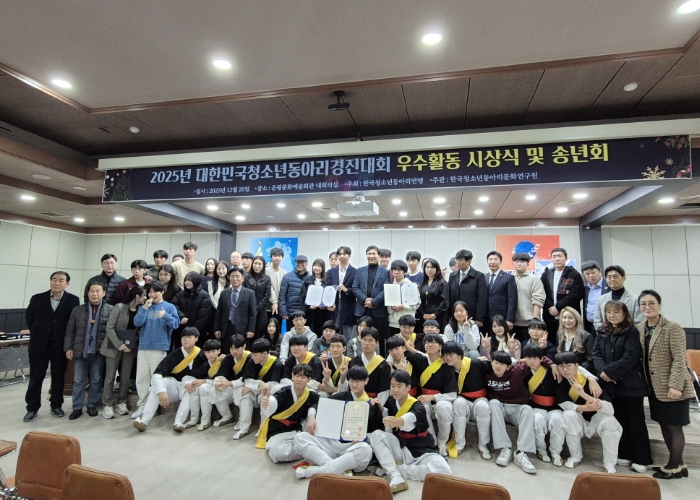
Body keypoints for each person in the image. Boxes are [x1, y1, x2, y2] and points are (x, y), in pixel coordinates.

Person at [636, 290, 695, 479]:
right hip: (654, 387)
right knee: (664, 424)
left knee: (674, 426)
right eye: (643, 304)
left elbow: (679, 359)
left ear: (659, 305)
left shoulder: (673, 328)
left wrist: (676, 385)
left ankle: (673, 466)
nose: (647, 307)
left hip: (673, 387)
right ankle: (680, 464)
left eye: (651, 303)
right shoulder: (640, 328)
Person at [367, 370, 452, 493]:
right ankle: (395, 476)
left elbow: (411, 417)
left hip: (422, 450)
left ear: (408, 387)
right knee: (376, 435)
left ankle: (399, 470)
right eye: (392, 386)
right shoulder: (392, 401)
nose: (395, 390)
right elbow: (388, 415)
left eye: (399, 386)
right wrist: (380, 408)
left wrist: (399, 421)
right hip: (402, 448)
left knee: (444, 471)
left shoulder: (418, 406)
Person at [593, 300, 653, 473]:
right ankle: (625, 454)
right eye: (608, 312)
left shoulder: (631, 331)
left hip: (630, 385)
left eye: (616, 312)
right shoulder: (602, 331)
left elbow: (631, 356)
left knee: (635, 422)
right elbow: (596, 354)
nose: (612, 315)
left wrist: (610, 372)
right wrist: (603, 372)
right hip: (610, 385)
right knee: (619, 420)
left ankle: (642, 459)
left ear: (625, 314)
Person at [293, 365, 382, 479]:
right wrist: (311, 417)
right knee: (300, 438)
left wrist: (362, 437)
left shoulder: (372, 405)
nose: (354, 384)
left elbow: (375, 434)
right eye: (351, 381)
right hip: (331, 444)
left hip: (351, 447)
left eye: (358, 381)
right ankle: (339, 469)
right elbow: (317, 405)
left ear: (366, 381)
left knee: (366, 450)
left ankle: (320, 471)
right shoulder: (340, 396)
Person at [23, 271, 80, 422]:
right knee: (36, 378)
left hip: (59, 346)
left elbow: (72, 323)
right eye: (54, 279)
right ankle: (32, 408)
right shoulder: (37, 298)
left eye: (61, 280)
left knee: (58, 377)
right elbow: (30, 320)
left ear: (67, 284)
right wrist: (40, 333)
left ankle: (56, 405)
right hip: (39, 345)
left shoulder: (73, 300)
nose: (57, 283)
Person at [554, 351, 622, 473]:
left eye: (568, 366)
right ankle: (576, 456)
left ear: (577, 366)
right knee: (568, 415)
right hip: (579, 418)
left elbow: (610, 410)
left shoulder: (591, 381)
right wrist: (587, 407)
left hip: (596, 419)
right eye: (561, 366)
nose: (565, 370)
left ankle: (609, 462)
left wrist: (583, 394)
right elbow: (565, 405)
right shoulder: (560, 381)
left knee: (610, 421)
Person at [486, 350, 550, 474]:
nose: (498, 366)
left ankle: (521, 453)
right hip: (500, 408)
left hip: (517, 408)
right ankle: (505, 448)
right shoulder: (486, 371)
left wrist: (552, 364)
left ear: (508, 366)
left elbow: (538, 360)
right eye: (496, 362)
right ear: (491, 362)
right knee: (493, 403)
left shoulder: (518, 370)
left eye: (502, 364)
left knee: (528, 409)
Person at [132, 327, 206, 432]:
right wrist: (161, 392)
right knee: (157, 386)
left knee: (192, 389)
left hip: (190, 387)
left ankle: (178, 422)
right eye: (184, 337)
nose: (186, 339)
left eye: (189, 337)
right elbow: (157, 374)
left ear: (196, 338)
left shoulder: (202, 354)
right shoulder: (175, 354)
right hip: (174, 386)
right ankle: (144, 421)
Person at [131, 281, 180, 419]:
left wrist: (165, 316)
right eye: (150, 292)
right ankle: (142, 405)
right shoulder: (145, 306)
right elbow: (137, 322)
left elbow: (176, 324)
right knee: (141, 379)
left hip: (160, 348)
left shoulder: (169, 307)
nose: (152, 295)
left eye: (155, 292)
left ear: (162, 291)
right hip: (143, 347)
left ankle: (153, 407)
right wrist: (144, 308)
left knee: (156, 379)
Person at [64, 282, 113, 419]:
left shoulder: (110, 310)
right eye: (92, 291)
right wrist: (68, 347)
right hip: (80, 350)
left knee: (96, 379)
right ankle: (77, 407)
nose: (94, 294)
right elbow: (70, 330)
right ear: (87, 293)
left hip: (99, 352)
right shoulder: (77, 310)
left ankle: (91, 405)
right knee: (78, 380)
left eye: (98, 291)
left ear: (104, 293)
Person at [256, 363, 320, 463]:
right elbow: (274, 400)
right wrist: (268, 402)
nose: (299, 380)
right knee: (279, 454)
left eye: (303, 377)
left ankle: (305, 450)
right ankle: (306, 451)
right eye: (297, 376)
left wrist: (311, 416)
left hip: (297, 430)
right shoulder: (283, 392)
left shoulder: (311, 395)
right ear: (292, 376)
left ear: (309, 380)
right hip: (278, 430)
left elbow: (318, 403)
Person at [409, 333, 457, 457]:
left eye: (434, 342)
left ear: (440, 346)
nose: (430, 345)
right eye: (427, 342)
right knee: (421, 406)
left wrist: (433, 397)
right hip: (424, 399)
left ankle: (442, 442)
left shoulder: (446, 366)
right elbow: (401, 352)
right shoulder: (420, 360)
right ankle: (432, 441)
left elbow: (452, 394)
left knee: (443, 407)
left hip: (441, 400)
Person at [441, 341, 491, 459]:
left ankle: (483, 445)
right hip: (462, 399)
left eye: (451, 354)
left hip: (480, 398)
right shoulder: (447, 369)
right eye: (445, 355)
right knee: (458, 403)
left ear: (459, 354)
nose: (448, 357)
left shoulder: (476, 363)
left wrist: (486, 359)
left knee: (483, 407)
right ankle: (460, 444)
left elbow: (494, 369)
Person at [101, 286, 144, 419]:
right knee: (110, 376)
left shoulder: (141, 310)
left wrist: (132, 345)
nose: (145, 298)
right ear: (136, 296)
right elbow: (110, 327)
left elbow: (140, 330)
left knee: (125, 376)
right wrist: (119, 344)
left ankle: (122, 401)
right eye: (143, 295)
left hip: (130, 348)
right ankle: (107, 404)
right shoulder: (119, 307)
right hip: (113, 346)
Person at [521, 344, 566, 466]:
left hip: (554, 406)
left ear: (542, 359)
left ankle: (556, 452)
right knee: (537, 421)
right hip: (535, 406)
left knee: (557, 421)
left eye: (535, 358)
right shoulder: (524, 371)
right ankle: (541, 450)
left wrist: (552, 365)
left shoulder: (551, 371)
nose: (531, 361)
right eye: (528, 357)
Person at [208, 334, 255, 437]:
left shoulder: (250, 358)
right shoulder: (228, 358)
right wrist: (218, 383)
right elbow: (221, 374)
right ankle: (227, 416)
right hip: (232, 387)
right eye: (231, 348)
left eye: (237, 348)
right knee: (215, 388)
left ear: (244, 346)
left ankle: (243, 422)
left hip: (247, 387)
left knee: (242, 390)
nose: (234, 351)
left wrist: (230, 383)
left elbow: (247, 378)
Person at [352, 246, 391, 356]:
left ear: (379, 256)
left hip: (378, 311)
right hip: (362, 310)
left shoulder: (385, 272)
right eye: (369, 254)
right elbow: (355, 288)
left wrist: (374, 302)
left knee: (379, 338)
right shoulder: (359, 271)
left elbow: (386, 289)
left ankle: (380, 360)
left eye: (374, 254)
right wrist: (365, 299)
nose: (371, 256)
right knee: (362, 338)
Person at [243, 338, 284, 436]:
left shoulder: (276, 363)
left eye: (255, 355)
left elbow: (274, 384)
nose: (253, 357)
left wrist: (253, 387)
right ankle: (243, 426)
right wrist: (259, 383)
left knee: (264, 396)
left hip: (269, 393)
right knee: (245, 394)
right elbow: (247, 380)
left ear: (265, 353)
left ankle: (263, 427)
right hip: (256, 391)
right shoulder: (252, 361)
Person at [541, 247, 584, 336]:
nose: (557, 259)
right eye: (554, 256)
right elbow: (541, 292)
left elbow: (575, 294)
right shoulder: (547, 274)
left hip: (569, 315)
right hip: (550, 315)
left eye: (560, 256)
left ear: (566, 258)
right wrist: (551, 308)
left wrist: (558, 307)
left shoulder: (574, 274)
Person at [181, 338, 222, 430]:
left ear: (219, 351)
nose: (211, 354)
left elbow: (223, 380)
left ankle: (205, 421)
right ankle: (193, 419)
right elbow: (190, 375)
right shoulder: (206, 364)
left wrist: (205, 381)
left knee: (203, 387)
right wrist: (188, 384)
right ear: (204, 353)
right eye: (208, 352)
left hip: (223, 387)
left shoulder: (223, 362)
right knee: (194, 387)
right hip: (212, 386)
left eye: (213, 351)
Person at [213, 266, 257, 351]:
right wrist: (217, 328)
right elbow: (219, 312)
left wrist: (251, 330)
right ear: (229, 278)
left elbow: (252, 313)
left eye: (237, 276)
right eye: (232, 276)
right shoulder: (224, 293)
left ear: (243, 278)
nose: (235, 279)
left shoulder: (250, 293)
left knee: (241, 351)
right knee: (226, 350)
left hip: (242, 328)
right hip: (226, 327)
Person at [342, 327, 391, 403]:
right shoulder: (353, 362)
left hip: (375, 402)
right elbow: (347, 387)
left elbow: (384, 390)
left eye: (370, 340)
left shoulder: (383, 365)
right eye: (364, 340)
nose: (367, 343)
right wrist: (342, 376)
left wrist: (376, 405)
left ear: (377, 343)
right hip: (354, 401)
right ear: (360, 341)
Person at [171, 271, 212, 349]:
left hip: (198, 332)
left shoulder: (204, 296)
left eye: (190, 280)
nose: (187, 282)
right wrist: (181, 316)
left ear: (196, 281)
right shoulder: (180, 294)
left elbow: (203, 317)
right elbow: (173, 305)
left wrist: (192, 331)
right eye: (186, 280)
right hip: (181, 330)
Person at [593, 265, 642, 329]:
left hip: (628, 333)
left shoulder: (635, 299)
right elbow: (597, 322)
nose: (612, 279)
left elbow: (638, 322)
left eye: (615, 276)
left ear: (624, 278)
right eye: (609, 277)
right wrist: (605, 332)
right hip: (606, 334)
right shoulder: (601, 299)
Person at [448, 249, 487, 328]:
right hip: (455, 316)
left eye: (461, 260)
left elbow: (482, 298)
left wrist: (479, 318)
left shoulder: (479, 276)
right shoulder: (452, 276)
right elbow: (449, 296)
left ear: (469, 261)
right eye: (457, 260)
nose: (458, 262)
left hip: (471, 316)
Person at [512, 252, 546, 343]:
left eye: (522, 262)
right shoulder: (510, 278)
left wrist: (535, 321)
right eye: (517, 261)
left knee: (530, 348)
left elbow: (538, 300)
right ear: (513, 263)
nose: (519, 264)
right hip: (512, 322)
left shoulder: (534, 279)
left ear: (528, 264)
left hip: (529, 323)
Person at [325, 246, 357, 340]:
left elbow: (357, 289)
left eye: (344, 254)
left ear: (349, 255)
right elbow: (327, 289)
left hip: (348, 306)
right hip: (334, 306)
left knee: (347, 334)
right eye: (340, 254)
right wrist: (328, 304)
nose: (342, 256)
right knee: (333, 331)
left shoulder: (355, 272)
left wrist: (346, 290)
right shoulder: (330, 272)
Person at [484, 251, 518, 330]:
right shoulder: (484, 277)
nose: (493, 262)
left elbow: (512, 300)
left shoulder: (508, 277)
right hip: (486, 317)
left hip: (502, 317)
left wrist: (510, 319)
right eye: (490, 259)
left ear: (501, 262)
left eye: (496, 259)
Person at [387, 260, 420, 336]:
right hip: (393, 323)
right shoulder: (390, 286)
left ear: (405, 272)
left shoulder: (412, 286)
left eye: (399, 270)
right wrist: (392, 308)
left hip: (408, 324)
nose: (396, 272)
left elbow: (417, 304)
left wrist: (404, 306)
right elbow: (388, 306)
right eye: (394, 270)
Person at [557, 306, 595, 373]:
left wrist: (576, 370)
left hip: (581, 372)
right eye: (564, 317)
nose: (567, 320)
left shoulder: (587, 336)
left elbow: (590, 359)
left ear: (576, 320)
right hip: (564, 372)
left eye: (570, 318)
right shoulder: (560, 335)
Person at [245, 256, 272, 346]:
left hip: (261, 313)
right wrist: (251, 309)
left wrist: (257, 309)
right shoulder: (246, 277)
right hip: (248, 311)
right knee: (247, 336)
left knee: (259, 337)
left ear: (263, 265)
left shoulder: (267, 278)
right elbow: (244, 293)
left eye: (260, 264)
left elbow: (267, 295)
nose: (257, 266)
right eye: (255, 263)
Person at [417, 258, 449, 333]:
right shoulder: (422, 283)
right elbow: (418, 300)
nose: (429, 269)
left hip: (439, 316)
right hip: (424, 317)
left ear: (437, 269)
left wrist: (435, 314)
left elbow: (445, 302)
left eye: (432, 267)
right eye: (427, 267)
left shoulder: (442, 283)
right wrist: (423, 314)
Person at [302, 258, 330, 335]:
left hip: (323, 312)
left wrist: (324, 306)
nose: (316, 268)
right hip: (310, 312)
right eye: (315, 266)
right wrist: (309, 306)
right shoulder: (307, 280)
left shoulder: (327, 281)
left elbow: (329, 296)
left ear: (323, 268)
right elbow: (303, 296)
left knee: (321, 331)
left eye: (319, 266)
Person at [581, 260, 609, 334]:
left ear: (600, 271)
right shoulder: (586, 288)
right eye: (587, 273)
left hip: (605, 325)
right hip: (589, 326)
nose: (591, 276)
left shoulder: (609, 286)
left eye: (593, 272)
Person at [279, 255, 310, 321]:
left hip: (306, 313)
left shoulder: (310, 277)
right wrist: (283, 312)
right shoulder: (287, 277)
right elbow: (282, 296)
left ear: (306, 264)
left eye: (302, 262)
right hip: (291, 313)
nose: (300, 264)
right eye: (298, 262)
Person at [266, 247, 287, 318]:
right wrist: (274, 301)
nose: (277, 258)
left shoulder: (284, 272)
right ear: (271, 257)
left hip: (280, 306)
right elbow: (269, 287)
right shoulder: (266, 271)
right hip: (268, 306)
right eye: (275, 256)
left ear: (282, 258)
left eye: (279, 256)